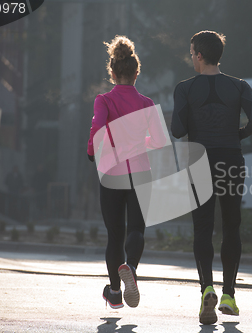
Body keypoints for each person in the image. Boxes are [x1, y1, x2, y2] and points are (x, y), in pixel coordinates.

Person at [171, 30, 252, 325]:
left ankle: (206, 288)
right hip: (231, 159)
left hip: (199, 160)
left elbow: (177, 130)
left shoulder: (184, 88)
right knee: (232, 225)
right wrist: (237, 134)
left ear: (198, 54)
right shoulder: (239, 86)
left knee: (203, 227)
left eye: (191, 54)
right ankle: (229, 296)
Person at [87, 35, 166, 309]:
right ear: (136, 72)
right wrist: (138, 144)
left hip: (112, 171)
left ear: (112, 73)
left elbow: (97, 129)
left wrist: (91, 150)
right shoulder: (146, 103)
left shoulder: (104, 100)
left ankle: (115, 292)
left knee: (114, 234)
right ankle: (131, 267)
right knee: (137, 229)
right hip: (141, 172)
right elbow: (158, 141)